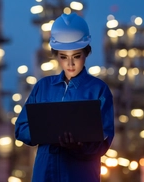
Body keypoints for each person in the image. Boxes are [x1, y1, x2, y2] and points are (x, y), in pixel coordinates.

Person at [14, 12, 114, 182]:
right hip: (45, 174)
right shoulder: (43, 87)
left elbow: (103, 141)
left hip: (79, 175)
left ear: (86, 52)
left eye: (76, 56)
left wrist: (79, 146)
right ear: (56, 54)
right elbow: (21, 128)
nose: (70, 64)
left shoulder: (98, 90)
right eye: (63, 57)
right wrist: (46, 133)